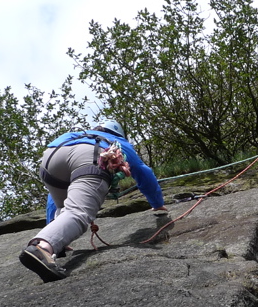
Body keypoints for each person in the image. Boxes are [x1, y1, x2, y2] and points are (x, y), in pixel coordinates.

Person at [19, 119, 167, 282]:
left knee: (65, 206)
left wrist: (51, 224)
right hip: (89, 155)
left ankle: (57, 242)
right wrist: (157, 204)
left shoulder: (76, 135)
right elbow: (142, 172)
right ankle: (42, 248)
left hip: (51, 158)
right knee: (78, 213)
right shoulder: (118, 142)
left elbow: (55, 200)